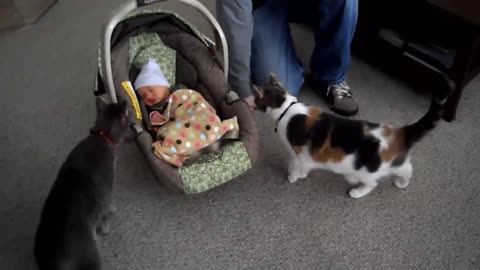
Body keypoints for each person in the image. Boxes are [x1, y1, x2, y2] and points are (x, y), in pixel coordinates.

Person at [216, 0, 359, 116]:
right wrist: (242, 90)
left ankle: (331, 74)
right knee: (280, 89)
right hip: (264, 5)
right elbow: (235, 13)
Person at [134, 58, 239, 166]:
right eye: (143, 96)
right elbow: (154, 124)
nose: (149, 96)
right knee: (172, 136)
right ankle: (195, 148)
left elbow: (195, 102)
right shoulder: (154, 110)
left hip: (193, 114)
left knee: (208, 120)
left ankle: (208, 138)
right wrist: (156, 119)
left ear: (164, 85)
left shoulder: (181, 92)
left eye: (151, 90)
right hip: (177, 126)